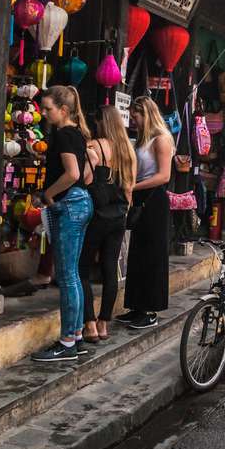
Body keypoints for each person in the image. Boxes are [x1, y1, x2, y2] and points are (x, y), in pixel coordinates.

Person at [31, 86, 95, 363]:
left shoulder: (66, 135)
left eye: (48, 109)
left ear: (64, 110)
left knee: (67, 275)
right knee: (73, 274)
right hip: (80, 202)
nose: (44, 114)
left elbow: (73, 174)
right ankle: (76, 337)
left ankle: (68, 340)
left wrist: (48, 194)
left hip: (69, 204)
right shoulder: (76, 134)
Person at [79, 105, 136, 343]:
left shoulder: (93, 146)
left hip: (96, 216)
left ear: (101, 123)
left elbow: (85, 180)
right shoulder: (127, 151)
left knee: (81, 268)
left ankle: (89, 324)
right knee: (109, 268)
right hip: (119, 217)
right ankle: (104, 324)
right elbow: (130, 190)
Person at [118, 96, 173, 331]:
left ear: (147, 114)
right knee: (138, 253)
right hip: (140, 196)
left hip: (154, 198)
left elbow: (164, 176)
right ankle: (136, 306)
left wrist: (133, 187)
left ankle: (150, 309)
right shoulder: (142, 139)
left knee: (152, 254)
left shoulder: (161, 139)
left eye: (136, 116)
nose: (133, 120)